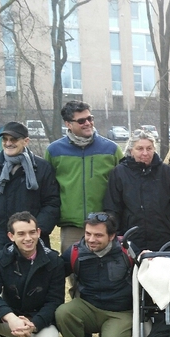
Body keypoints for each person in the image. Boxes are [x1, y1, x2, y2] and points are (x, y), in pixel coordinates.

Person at [55, 212, 134, 337]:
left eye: (98, 235)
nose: (91, 239)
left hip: (120, 311)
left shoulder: (127, 250)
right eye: (88, 234)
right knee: (63, 312)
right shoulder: (75, 251)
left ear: (112, 236)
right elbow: (54, 274)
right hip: (88, 306)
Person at [0, 121, 60, 262]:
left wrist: (37, 231)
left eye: (13, 139)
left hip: (31, 241)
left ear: (26, 141)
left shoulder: (42, 168)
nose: (8, 143)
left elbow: (52, 202)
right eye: (5, 139)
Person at [45, 100, 123, 254]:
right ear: (68, 124)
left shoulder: (111, 149)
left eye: (90, 118)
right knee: (73, 268)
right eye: (81, 120)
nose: (88, 123)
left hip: (104, 224)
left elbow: (124, 183)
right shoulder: (54, 151)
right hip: (72, 226)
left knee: (106, 271)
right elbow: (47, 188)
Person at [104, 129, 170, 252]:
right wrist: (117, 238)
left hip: (164, 238)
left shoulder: (166, 173)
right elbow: (113, 208)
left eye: (149, 148)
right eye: (140, 149)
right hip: (132, 240)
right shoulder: (119, 173)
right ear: (131, 151)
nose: (145, 153)